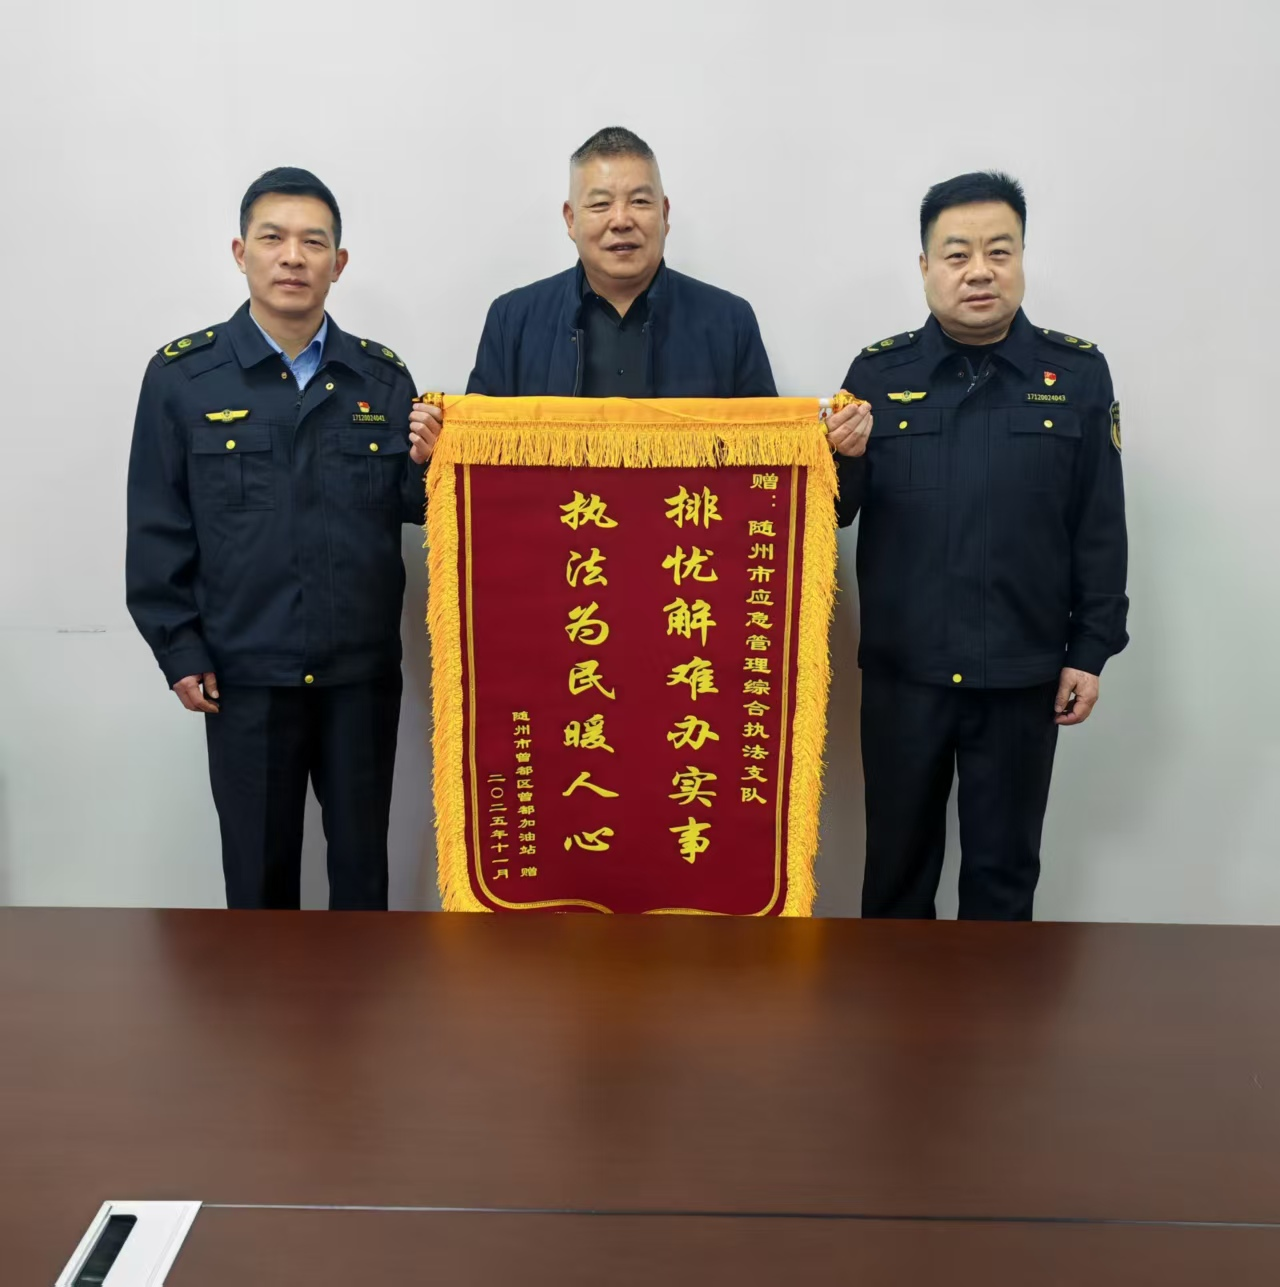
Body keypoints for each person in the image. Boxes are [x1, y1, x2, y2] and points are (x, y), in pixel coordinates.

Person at [823, 171, 1128, 921]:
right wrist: (842, 458)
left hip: (1022, 673)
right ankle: (897, 1004)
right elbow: (833, 513)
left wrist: (1090, 649)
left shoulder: (1077, 374)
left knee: (1003, 880)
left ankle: (1000, 1007)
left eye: (999, 250)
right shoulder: (878, 372)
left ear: (1022, 258)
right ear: (925, 266)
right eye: (957, 254)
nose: (979, 271)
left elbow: (1099, 524)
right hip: (905, 676)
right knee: (896, 877)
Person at [126, 167, 434, 910]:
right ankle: (258, 998)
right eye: (273, 238)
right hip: (244, 677)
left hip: (358, 677)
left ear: (339, 262)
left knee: (362, 878)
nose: (293, 257)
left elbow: (415, 509)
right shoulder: (184, 378)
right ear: (241, 253)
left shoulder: (382, 380)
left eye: (313, 242)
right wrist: (179, 648)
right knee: (259, 888)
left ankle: (358, 992)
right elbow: (157, 525)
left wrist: (429, 463)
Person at [407, 126, 775, 455]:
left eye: (640, 201)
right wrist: (434, 448)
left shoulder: (730, 321)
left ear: (664, 214)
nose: (621, 220)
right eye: (600, 204)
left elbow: (771, 458)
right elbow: (477, 456)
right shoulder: (513, 320)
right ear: (571, 219)